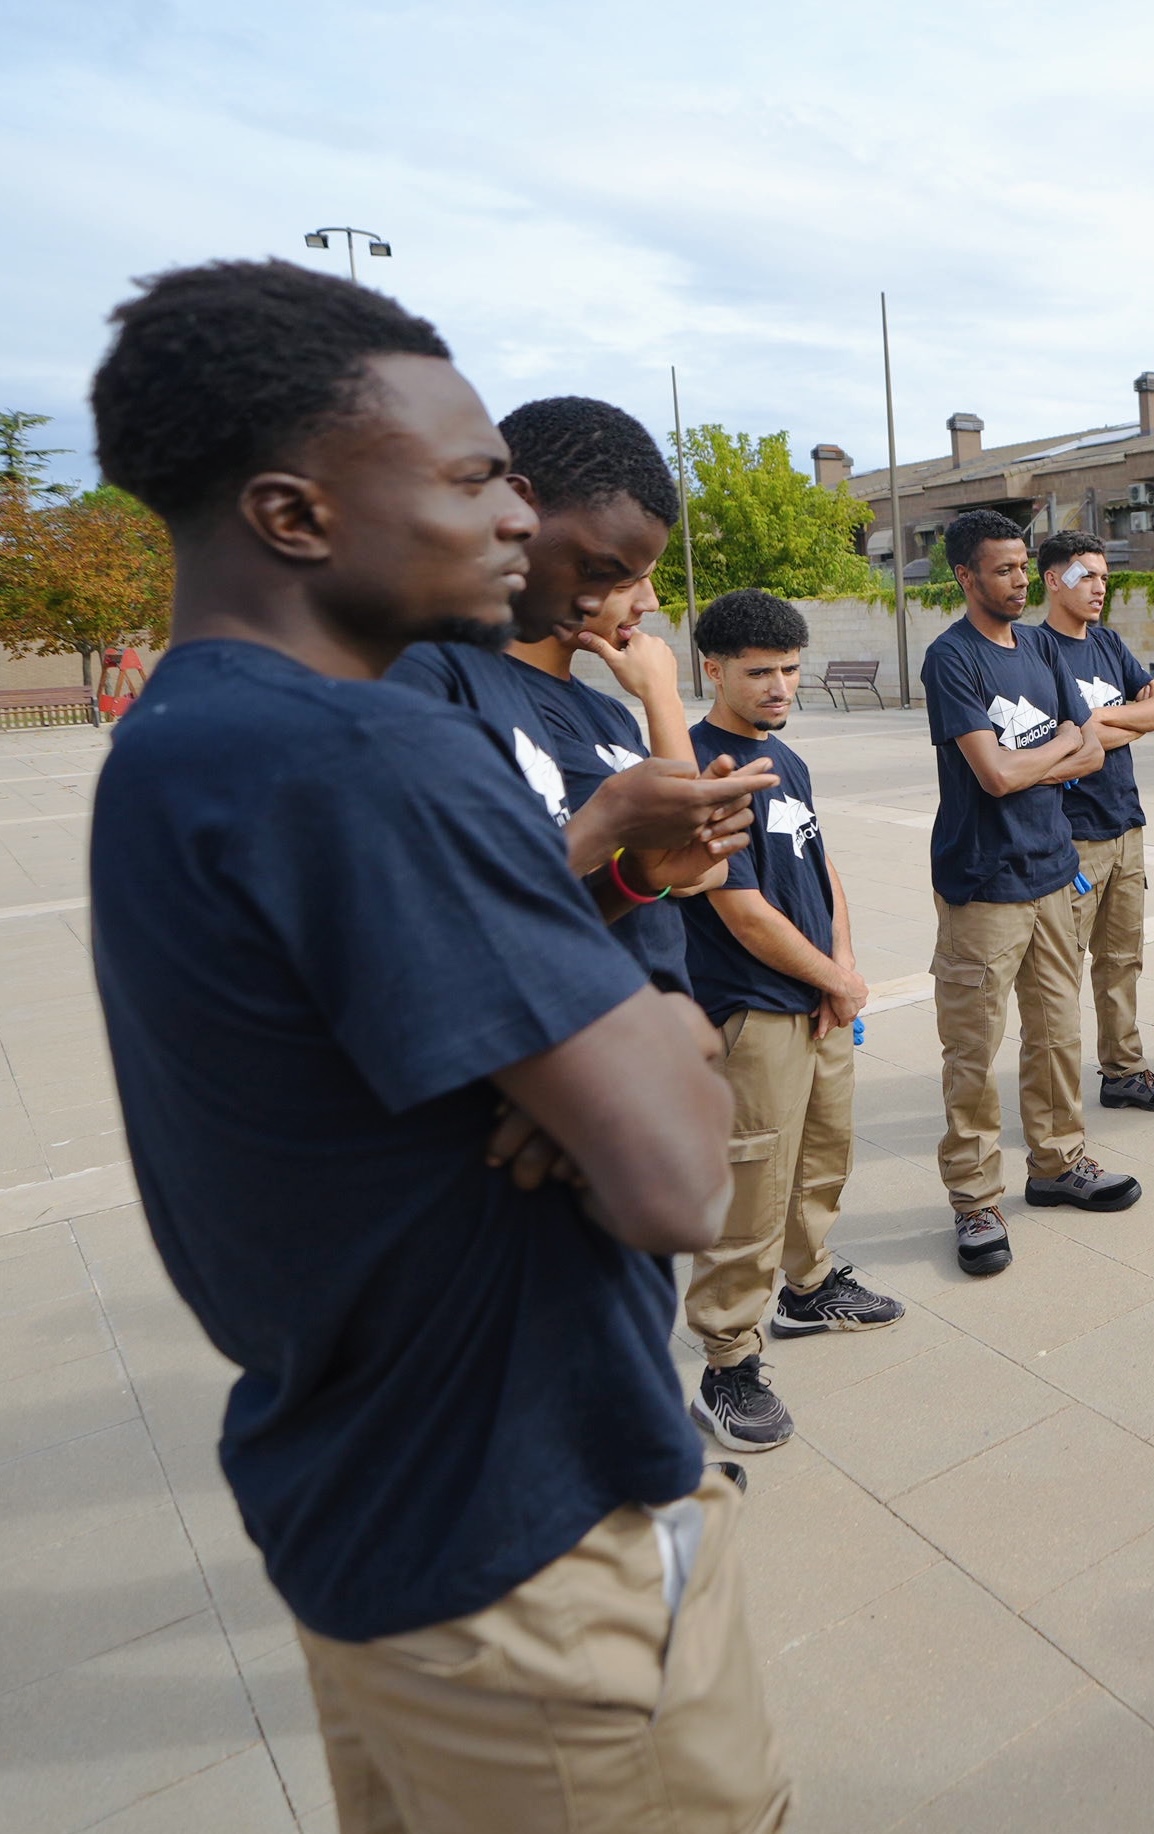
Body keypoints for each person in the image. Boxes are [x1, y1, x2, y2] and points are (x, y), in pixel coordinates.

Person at [87, 260, 788, 1830]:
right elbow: (677, 1174)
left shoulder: (189, 735)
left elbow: (412, 1014)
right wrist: (653, 1021)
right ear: (294, 515)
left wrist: (567, 1007)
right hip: (531, 1557)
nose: (515, 522)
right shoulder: (376, 750)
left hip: (370, 1517)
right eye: (473, 478)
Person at [678, 589, 906, 1453]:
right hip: (752, 1010)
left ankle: (807, 1287)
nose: (780, 686)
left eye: (789, 668)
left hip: (815, 1000)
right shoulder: (703, 764)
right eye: (759, 672)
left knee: (820, 1158)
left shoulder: (785, 759)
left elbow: (822, 864)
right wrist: (829, 981)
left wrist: (841, 970)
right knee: (752, 1190)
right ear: (713, 669)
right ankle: (728, 1361)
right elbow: (740, 911)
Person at [408, 395, 715, 997]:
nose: (643, 602)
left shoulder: (593, 707)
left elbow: (654, 876)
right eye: (613, 573)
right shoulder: (423, 677)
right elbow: (432, 931)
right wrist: (605, 824)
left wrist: (632, 875)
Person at [922, 508, 1143, 1274]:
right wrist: (1052, 754)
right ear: (965, 577)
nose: (1019, 580)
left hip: (1053, 873)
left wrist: (1040, 758)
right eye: (1004, 569)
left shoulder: (1042, 648)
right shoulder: (951, 660)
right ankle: (976, 1202)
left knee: (1057, 1035)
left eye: (1023, 567)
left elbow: (1088, 751)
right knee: (973, 1053)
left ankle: (1056, 1166)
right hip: (982, 885)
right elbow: (994, 774)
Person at [1027, 528, 1154, 1112]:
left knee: (1122, 961)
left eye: (1103, 575)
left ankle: (1122, 1071)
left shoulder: (1109, 644)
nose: (1099, 587)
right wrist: (1117, 722)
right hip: (1073, 836)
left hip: (1126, 825)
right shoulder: (1034, 650)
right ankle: (1056, 1095)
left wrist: (1100, 719)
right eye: (1085, 575)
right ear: (1052, 580)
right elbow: (1072, 737)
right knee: (1059, 974)